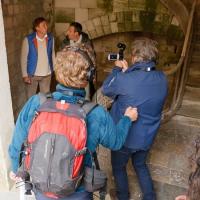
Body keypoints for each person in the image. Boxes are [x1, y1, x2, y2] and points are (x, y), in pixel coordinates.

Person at [8, 48, 138, 200]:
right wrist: (127, 119)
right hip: (78, 191)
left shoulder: (36, 102)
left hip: (41, 188)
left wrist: (17, 169)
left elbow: (16, 145)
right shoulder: (95, 113)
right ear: (88, 76)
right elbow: (116, 142)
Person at [102, 38, 168, 200]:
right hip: (147, 136)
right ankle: (150, 197)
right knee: (140, 165)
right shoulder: (163, 79)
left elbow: (106, 89)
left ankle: (123, 196)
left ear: (136, 57)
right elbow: (141, 89)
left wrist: (117, 71)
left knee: (118, 167)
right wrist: (128, 72)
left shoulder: (126, 80)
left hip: (125, 136)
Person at [21, 17, 55, 98]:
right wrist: (25, 75)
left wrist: (55, 69)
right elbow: (23, 58)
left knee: (45, 98)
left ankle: (42, 111)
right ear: (37, 28)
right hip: (32, 75)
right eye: (43, 25)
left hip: (47, 74)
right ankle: (31, 111)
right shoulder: (28, 39)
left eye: (46, 25)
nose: (46, 27)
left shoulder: (51, 38)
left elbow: (53, 54)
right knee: (31, 98)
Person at [61, 22, 96, 100]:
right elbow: (61, 59)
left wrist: (93, 76)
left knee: (86, 97)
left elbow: (92, 60)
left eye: (70, 31)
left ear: (76, 33)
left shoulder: (86, 43)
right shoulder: (65, 43)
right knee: (69, 96)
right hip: (69, 75)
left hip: (83, 74)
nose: (67, 33)